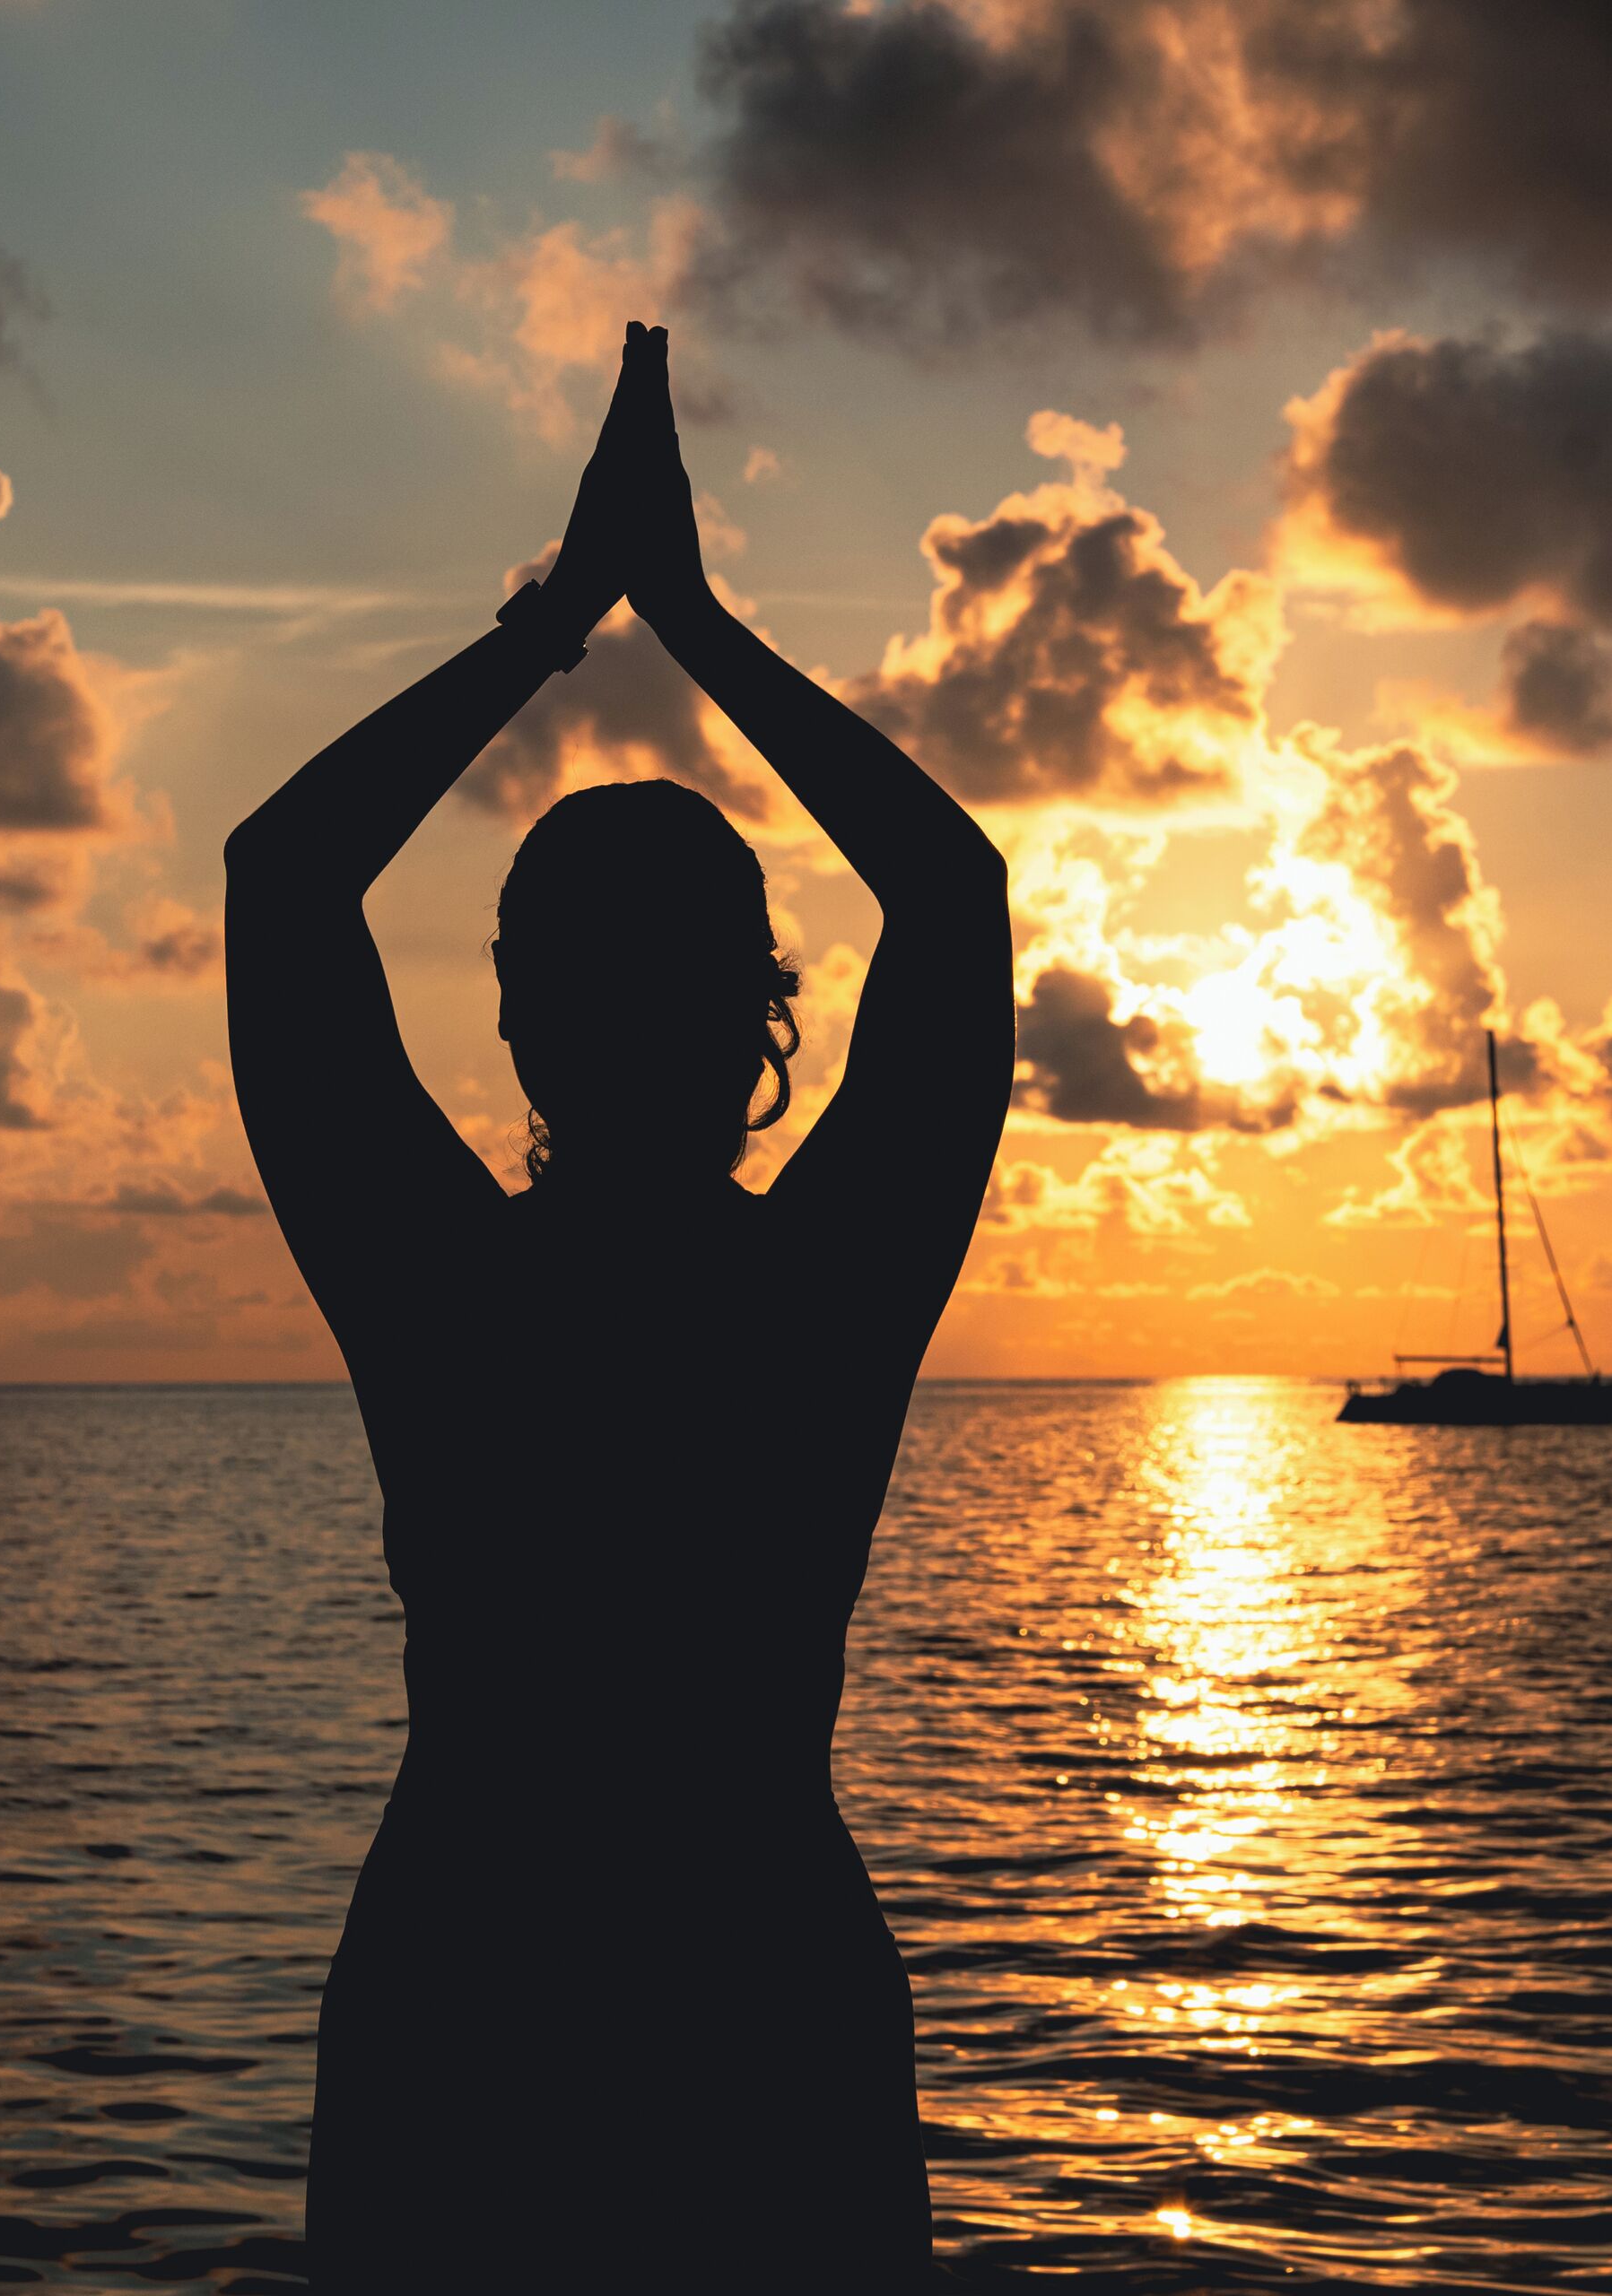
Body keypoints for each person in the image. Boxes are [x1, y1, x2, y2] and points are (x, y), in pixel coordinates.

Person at [227, 323, 1012, 2290]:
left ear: (508, 1010)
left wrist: (560, 624)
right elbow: (955, 899)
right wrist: (697, 624)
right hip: (764, 1996)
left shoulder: (446, 1291)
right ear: (763, 1010)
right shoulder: (822, 1292)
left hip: (464, 1998)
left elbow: (282, 883)